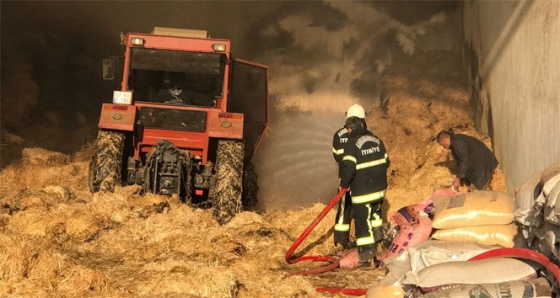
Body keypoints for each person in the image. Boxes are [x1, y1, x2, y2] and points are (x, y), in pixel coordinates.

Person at [337, 116, 390, 269]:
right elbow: (386, 162)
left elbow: (348, 168)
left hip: (363, 192)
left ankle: (368, 259)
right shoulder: (377, 140)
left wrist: (343, 184)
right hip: (379, 190)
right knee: (375, 216)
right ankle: (379, 243)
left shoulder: (351, 145)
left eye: (348, 129)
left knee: (362, 223)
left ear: (351, 129)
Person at [332, 104, 371, 249]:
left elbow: (337, 156)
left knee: (344, 208)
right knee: (362, 209)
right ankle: (364, 240)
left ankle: (340, 241)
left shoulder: (338, 135)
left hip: (344, 177)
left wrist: (345, 174)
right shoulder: (367, 135)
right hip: (362, 178)